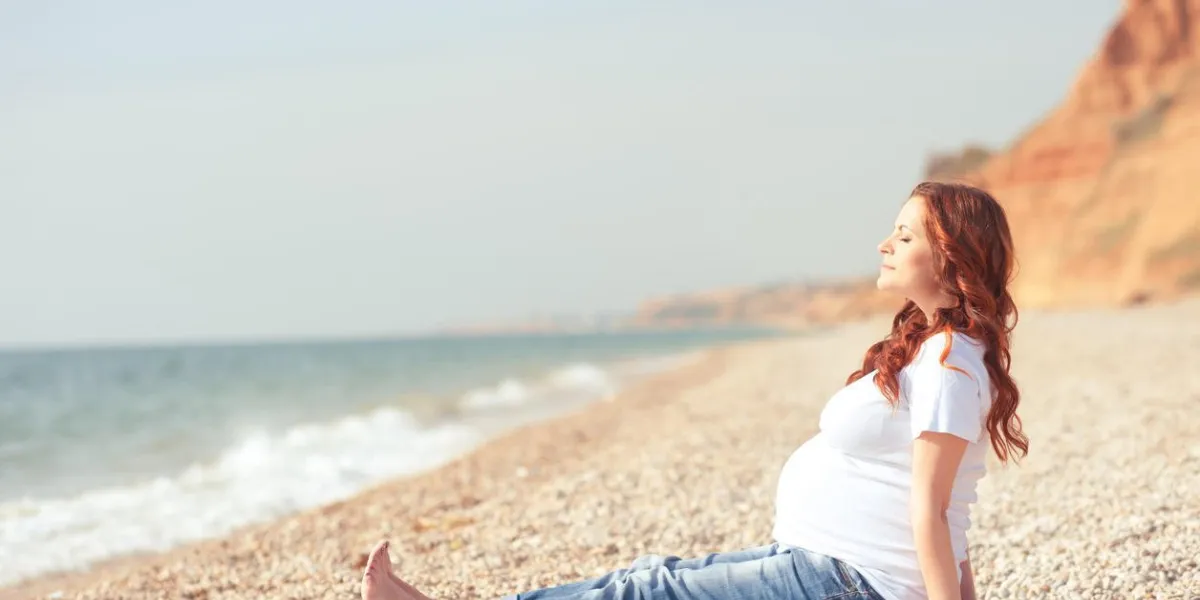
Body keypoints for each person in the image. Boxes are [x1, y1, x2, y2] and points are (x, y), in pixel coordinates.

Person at [361, 181, 1029, 600]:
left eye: (905, 235)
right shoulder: (938, 351)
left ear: (949, 259)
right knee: (648, 583)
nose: (884, 243)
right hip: (823, 568)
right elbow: (956, 517)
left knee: (645, 589)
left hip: (846, 582)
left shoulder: (947, 361)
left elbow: (935, 512)